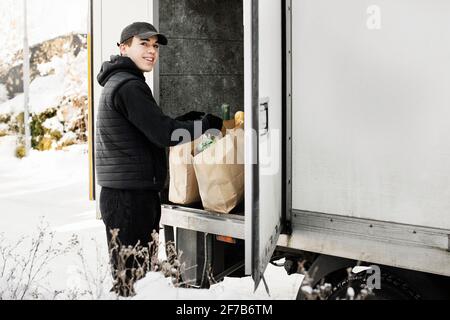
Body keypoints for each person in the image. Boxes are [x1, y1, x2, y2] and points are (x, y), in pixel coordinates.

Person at [95, 22, 222, 296]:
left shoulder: (123, 83)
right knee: (132, 281)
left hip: (128, 196)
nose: (152, 51)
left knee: (136, 278)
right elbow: (164, 133)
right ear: (124, 47)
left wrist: (185, 121)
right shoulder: (129, 86)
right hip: (129, 200)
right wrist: (206, 126)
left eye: (155, 46)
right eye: (144, 44)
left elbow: (151, 128)